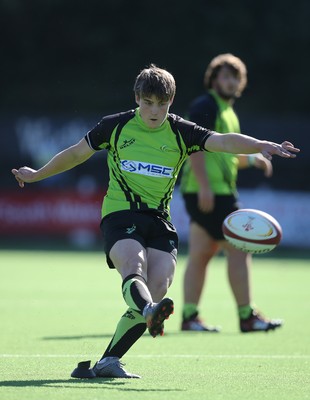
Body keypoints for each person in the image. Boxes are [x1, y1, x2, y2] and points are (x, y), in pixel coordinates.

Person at [12, 64, 299, 379]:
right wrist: (38, 174)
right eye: (148, 102)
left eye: (161, 104)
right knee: (134, 267)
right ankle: (148, 312)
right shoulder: (115, 127)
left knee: (159, 285)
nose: (154, 110)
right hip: (121, 215)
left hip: (160, 221)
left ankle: (109, 361)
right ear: (137, 98)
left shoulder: (181, 132)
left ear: (171, 102)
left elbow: (224, 142)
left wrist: (261, 145)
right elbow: (76, 154)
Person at [180, 53, 282, 333]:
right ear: (213, 80)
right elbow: (195, 147)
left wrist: (252, 159)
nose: (230, 81)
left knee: (201, 253)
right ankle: (247, 316)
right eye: (224, 76)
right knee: (239, 250)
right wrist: (204, 186)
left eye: (235, 76)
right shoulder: (205, 105)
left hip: (212, 192)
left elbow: (226, 153)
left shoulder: (227, 112)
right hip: (211, 192)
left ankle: (189, 316)